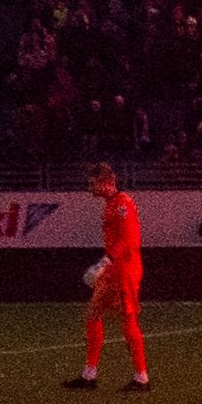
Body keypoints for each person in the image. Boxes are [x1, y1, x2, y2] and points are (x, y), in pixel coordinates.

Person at [71, 165, 149, 391]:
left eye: (93, 183)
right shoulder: (111, 205)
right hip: (112, 269)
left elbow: (128, 240)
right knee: (93, 313)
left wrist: (104, 263)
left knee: (128, 321)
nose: (90, 188)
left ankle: (142, 378)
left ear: (106, 182)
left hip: (125, 270)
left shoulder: (123, 204)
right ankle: (89, 375)